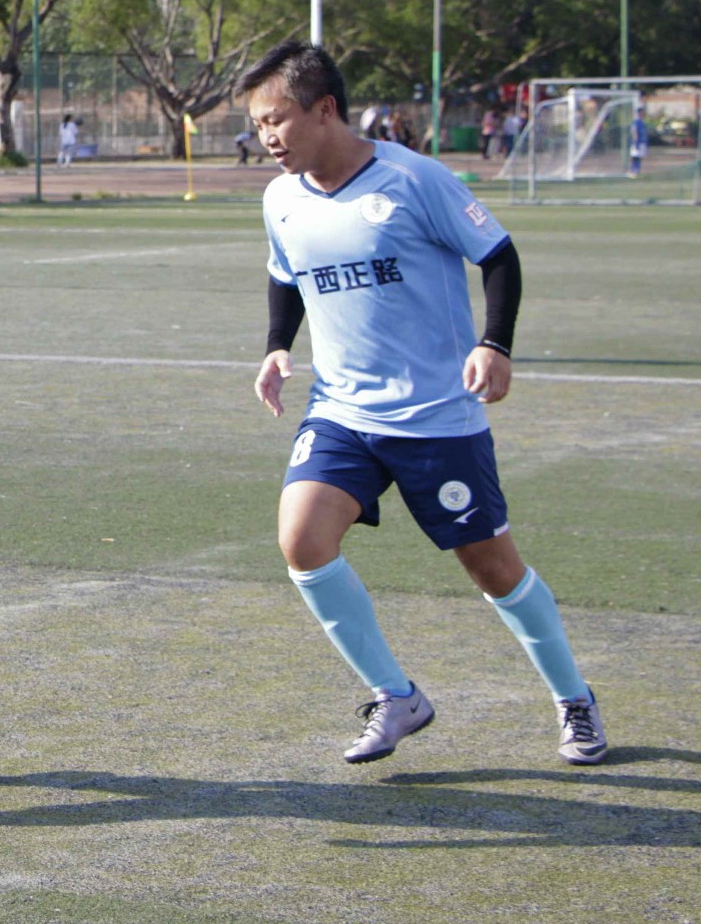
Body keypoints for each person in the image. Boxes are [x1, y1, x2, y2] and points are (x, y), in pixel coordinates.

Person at [242, 39, 607, 767]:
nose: (268, 139)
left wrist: (494, 344)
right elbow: (287, 273)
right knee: (303, 542)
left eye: (276, 119)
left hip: (436, 416)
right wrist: (278, 344)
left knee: (492, 567)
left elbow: (498, 256)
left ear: (325, 109)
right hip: (343, 411)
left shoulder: (415, 179)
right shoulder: (279, 198)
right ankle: (397, 695)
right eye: (257, 127)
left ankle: (574, 698)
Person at [628, 105, 648, 178]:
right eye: (642, 113)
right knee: (634, 157)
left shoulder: (643, 123)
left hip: (642, 143)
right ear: (639, 113)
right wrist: (636, 142)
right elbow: (634, 132)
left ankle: (637, 171)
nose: (644, 115)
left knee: (639, 157)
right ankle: (633, 171)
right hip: (637, 143)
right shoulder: (636, 122)